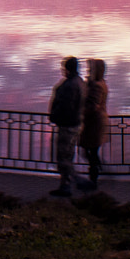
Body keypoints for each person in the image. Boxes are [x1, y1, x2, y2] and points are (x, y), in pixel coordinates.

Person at [46, 56, 85, 197]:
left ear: (68, 69)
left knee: (63, 157)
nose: (62, 70)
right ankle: (67, 185)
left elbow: (66, 106)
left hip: (67, 125)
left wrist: (55, 116)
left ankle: (75, 182)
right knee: (68, 156)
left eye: (64, 68)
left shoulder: (70, 85)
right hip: (75, 124)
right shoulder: (79, 82)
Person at [78, 58, 110, 191]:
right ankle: (97, 172)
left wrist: (79, 112)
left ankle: (93, 181)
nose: (88, 71)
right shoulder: (98, 83)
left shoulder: (96, 85)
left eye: (90, 69)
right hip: (94, 123)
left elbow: (93, 106)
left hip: (94, 124)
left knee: (90, 152)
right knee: (90, 152)